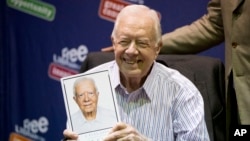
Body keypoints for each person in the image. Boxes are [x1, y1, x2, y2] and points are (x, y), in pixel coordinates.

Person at [63, 4, 210, 140]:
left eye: (142, 43)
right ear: (114, 43)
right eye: (124, 42)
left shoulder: (183, 93)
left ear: (157, 48)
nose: (131, 51)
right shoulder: (87, 86)